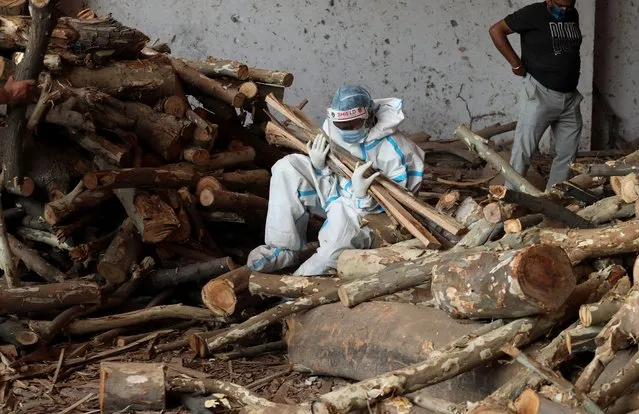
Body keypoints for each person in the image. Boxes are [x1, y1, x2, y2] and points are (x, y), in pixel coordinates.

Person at [247, 85, 425, 276]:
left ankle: (298, 283)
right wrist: (319, 167)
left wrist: (363, 197)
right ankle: (283, 248)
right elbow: (332, 168)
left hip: (366, 212)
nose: (346, 131)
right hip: (334, 191)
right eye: (342, 126)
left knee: (333, 249)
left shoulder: (400, 152)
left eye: (352, 125)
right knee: (287, 167)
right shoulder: (333, 127)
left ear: (369, 116)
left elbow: (400, 205)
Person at [489, 0, 583, 190]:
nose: (563, 10)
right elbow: (496, 30)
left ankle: (554, 202)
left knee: (567, 155)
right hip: (540, 93)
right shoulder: (532, 14)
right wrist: (515, 63)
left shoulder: (573, 15)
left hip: (570, 97)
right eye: (559, 5)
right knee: (523, 153)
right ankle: (510, 202)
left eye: (568, 6)